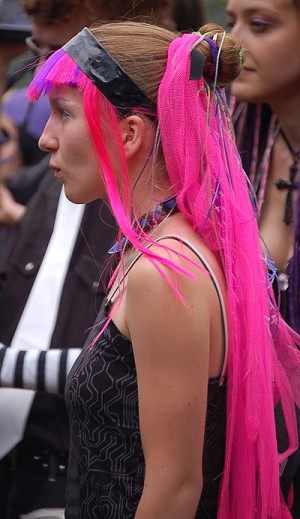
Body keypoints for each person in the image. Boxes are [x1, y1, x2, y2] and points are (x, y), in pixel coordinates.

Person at [1, 19, 300, 518]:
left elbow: (175, 488)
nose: (46, 139)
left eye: (63, 114)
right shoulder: (157, 248)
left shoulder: (165, 270)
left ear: (131, 132)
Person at [225, 0, 300, 515]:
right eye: (230, 21)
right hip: (251, 446)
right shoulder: (233, 141)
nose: (233, 42)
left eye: (259, 24)